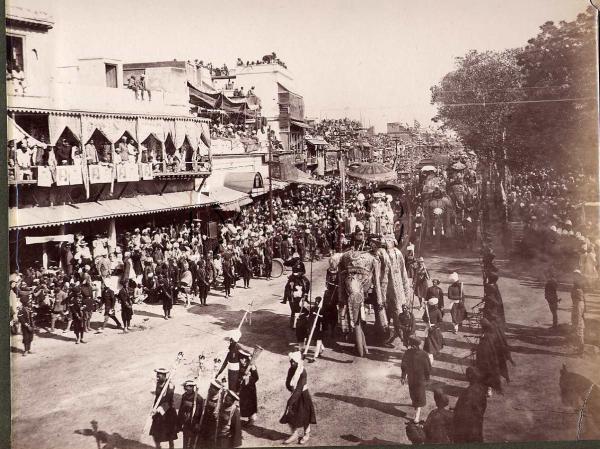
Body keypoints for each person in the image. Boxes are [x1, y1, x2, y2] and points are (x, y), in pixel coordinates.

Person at [280, 351, 317, 444]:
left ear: (297, 362)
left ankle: (306, 433)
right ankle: (294, 434)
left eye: (294, 362)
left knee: (305, 415)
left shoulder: (302, 372)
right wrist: (290, 386)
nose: (292, 363)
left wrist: (291, 401)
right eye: (291, 361)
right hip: (294, 394)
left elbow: (300, 388)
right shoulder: (291, 369)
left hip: (303, 395)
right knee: (290, 414)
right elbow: (288, 382)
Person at [400, 335, 431, 423]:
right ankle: (416, 407)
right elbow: (404, 365)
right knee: (414, 395)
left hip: (417, 379)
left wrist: (403, 376)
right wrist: (403, 376)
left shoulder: (409, 353)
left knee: (418, 396)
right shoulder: (423, 354)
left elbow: (427, 368)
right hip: (416, 379)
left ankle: (416, 416)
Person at [453, 366, 488, 443]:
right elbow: (483, 406)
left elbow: (462, 414)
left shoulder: (467, 393)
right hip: (478, 421)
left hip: (468, 427)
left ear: (469, 377)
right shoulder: (481, 389)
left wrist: (456, 410)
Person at [149, 368, 178, 449]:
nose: (157, 375)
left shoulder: (170, 385)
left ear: (164, 376)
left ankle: (171, 447)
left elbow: (169, 399)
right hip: (158, 411)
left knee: (170, 434)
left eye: (160, 374)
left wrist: (159, 409)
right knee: (155, 432)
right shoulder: (157, 383)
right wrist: (154, 407)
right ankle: (158, 447)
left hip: (168, 411)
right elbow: (157, 397)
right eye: (157, 373)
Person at [177, 380, 203, 449]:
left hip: (194, 423)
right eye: (185, 387)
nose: (185, 388)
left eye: (187, 387)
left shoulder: (198, 398)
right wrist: (179, 423)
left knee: (191, 442)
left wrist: (197, 423)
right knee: (185, 441)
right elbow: (181, 410)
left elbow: (200, 412)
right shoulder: (184, 396)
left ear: (192, 387)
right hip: (186, 423)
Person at [238, 349, 259, 424]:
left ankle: (252, 418)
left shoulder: (251, 366)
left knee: (251, 403)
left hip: (250, 389)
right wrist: (241, 379)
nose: (243, 360)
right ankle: (247, 418)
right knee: (244, 403)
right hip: (243, 389)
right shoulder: (239, 366)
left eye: (244, 359)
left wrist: (248, 379)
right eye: (241, 358)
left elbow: (256, 377)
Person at [423, 297, 444, 363]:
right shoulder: (427, 310)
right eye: (435, 305)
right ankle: (430, 360)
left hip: (435, 330)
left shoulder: (438, 311)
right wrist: (427, 322)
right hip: (429, 330)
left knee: (436, 342)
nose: (436, 306)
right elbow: (423, 318)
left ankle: (435, 352)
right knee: (429, 345)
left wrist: (434, 326)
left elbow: (440, 321)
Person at [571, 269, 586, 355]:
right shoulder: (576, 285)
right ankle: (580, 349)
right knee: (578, 328)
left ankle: (580, 351)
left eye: (576, 275)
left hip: (578, 306)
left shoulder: (578, 287)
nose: (574, 277)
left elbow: (579, 301)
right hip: (578, 305)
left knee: (578, 328)